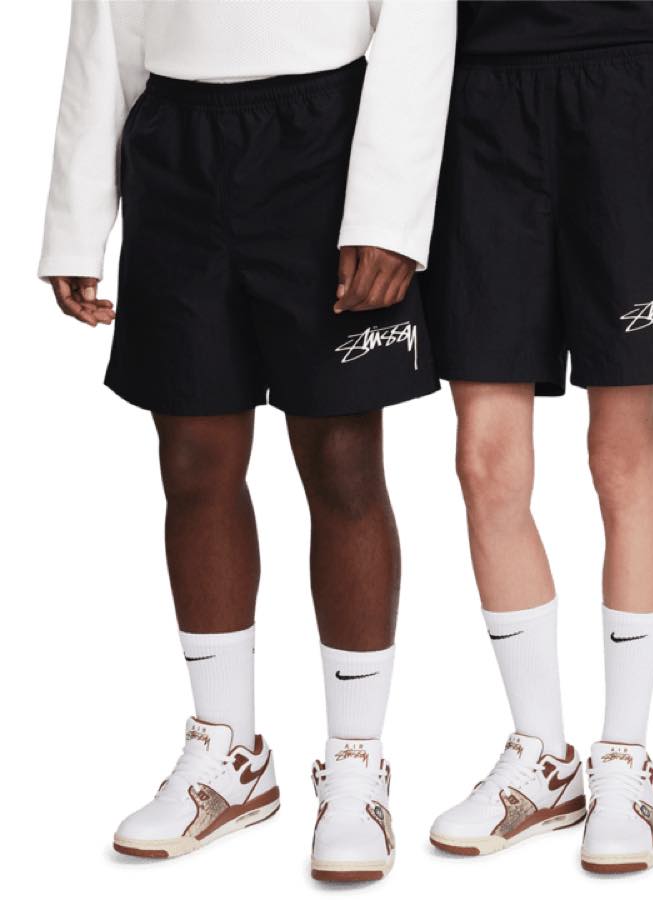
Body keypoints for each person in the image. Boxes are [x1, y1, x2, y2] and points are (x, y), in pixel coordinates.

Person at [39, 0, 454, 880]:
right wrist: (77, 218)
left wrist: (387, 215)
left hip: (326, 139)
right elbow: (104, 21)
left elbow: (421, 18)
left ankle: (355, 764)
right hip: (176, 140)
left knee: (341, 457)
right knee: (193, 460)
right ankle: (228, 755)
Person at [421, 0, 653, 873]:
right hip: (478, 119)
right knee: (484, 462)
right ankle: (542, 757)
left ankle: (625, 757)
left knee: (621, 455)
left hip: (630, 115)